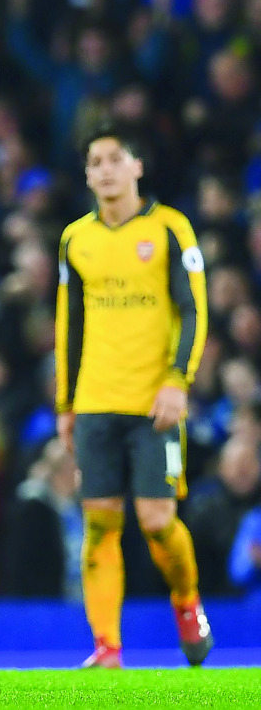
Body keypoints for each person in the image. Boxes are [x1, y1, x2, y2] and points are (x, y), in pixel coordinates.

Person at [56, 123, 211, 668]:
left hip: (154, 404)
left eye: (115, 159)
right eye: (95, 162)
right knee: (99, 520)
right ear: (87, 175)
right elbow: (68, 326)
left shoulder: (171, 229)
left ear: (137, 167)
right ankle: (106, 647)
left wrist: (178, 380)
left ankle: (187, 602)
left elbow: (193, 309)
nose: (104, 169)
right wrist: (65, 403)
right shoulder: (76, 239)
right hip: (96, 401)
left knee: (157, 522)